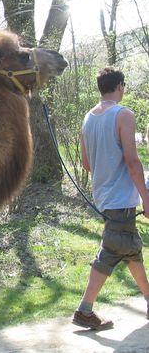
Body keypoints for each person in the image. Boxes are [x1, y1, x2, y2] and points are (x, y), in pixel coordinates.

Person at [72, 67, 149, 330]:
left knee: (129, 248)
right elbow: (132, 160)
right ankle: (84, 309)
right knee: (117, 245)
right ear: (119, 86)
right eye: (124, 85)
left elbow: (85, 163)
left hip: (103, 197)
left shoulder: (88, 117)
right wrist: (146, 197)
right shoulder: (123, 115)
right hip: (120, 199)